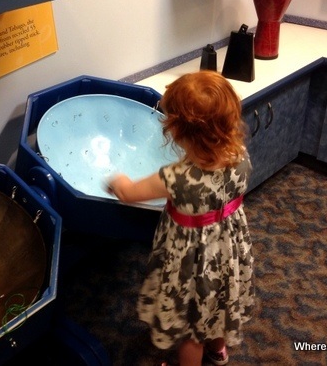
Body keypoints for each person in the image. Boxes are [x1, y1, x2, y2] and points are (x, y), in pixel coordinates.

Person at [107, 71, 254, 366]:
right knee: (218, 301)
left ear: (176, 129)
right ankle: (218, 350)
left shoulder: (176, 178)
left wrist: (117, 181)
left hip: (192, 259)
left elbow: (130, 194)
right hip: (228, 246)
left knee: (191, 327)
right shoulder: (240, 155)